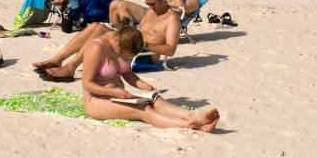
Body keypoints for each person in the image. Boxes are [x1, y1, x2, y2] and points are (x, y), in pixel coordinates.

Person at [33, 0, 189, 80]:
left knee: (103, 34)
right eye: (148, 4)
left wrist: (145, 45)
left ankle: (71, 67)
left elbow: (170, 50)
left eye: (153, 4)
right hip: (130, 46)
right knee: (96, 27)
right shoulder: (150, 12)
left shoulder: (171, 20)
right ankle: (57, 60)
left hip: (143, 55)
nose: (149, 7)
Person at [81, 24, 219, 131]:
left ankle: (192, 116)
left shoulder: (124, 44)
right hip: (96, 100)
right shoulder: (97, 48)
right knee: (144, 110)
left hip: (118, 95)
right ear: (116, 41)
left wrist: (145, 86)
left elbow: (128, 74)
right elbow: (87, 84)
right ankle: (190, 125)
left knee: (155, 98)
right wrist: (113, 92)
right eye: (124, 54)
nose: (125, 57)